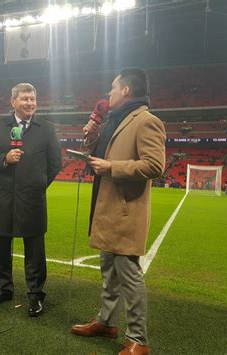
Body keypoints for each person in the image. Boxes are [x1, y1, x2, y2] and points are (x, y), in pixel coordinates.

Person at [70, 68, 166, 355]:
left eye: (113, 87)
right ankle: (106, 322)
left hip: (125, 210)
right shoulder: (114, 120)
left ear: (126, 90)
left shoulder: (147, 121)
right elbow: (99, 156)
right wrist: (91, 136)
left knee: (128, 273)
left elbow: (154, 166)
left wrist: (112, 167)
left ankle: (138, 338)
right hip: (106, 206)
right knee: (108, 270)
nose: (108, 92)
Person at [0, 83, 62, 317]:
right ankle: (3, 289)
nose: (30, 103)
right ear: (13, 101)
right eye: (24, 99)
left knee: (34, 250)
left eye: (33, 99)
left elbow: (55, 164)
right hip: (4, 197)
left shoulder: (46, 129)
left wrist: (37, 185)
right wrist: (3, 158)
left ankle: (35, 295)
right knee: (1, 246)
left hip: (32, 199)